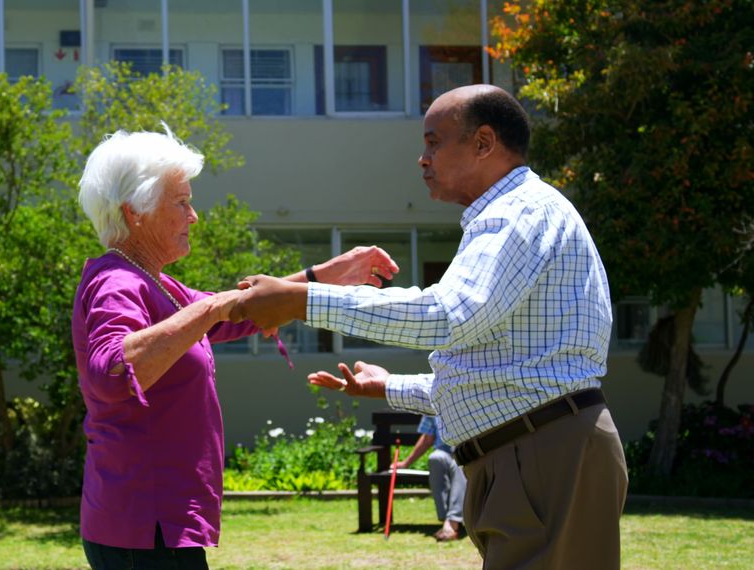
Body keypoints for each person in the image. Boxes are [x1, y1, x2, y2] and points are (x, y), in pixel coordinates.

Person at [229, 85, 628, 569]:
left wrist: (302, 300)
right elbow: (503, 374)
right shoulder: (513, 213)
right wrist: (390, 388)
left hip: (542, 452)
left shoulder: (516, 213)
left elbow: (448, 315)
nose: (422, 159)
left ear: (484, 142)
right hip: (536, 449)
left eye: (434, 141)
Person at [72, 125, 398, 569]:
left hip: (157, 526)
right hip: (142, 527)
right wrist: (213, 311)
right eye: (182, 202)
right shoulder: (118, 282)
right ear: (135, 213)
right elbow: (113, 371)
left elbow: (233, 312)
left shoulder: (155, 283)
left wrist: (323, 276)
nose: (194, 216)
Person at [396, 414, 466, 542]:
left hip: (465, 450)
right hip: (444, 452)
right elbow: (427, 439)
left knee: (459, 464)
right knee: (434, 458)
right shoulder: (432, 403)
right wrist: (406, 463)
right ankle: (447, 519)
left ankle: (453, 521)